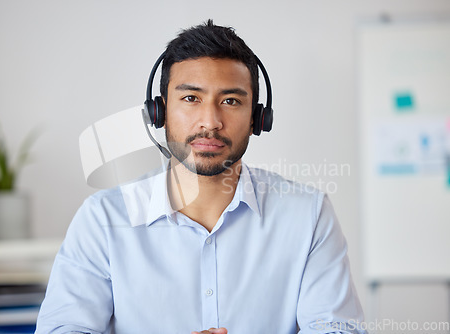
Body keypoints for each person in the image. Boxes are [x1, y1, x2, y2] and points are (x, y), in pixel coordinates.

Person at [36, 20, 366, 334]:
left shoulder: (307, 215)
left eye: (231, 100)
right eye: (191, 98)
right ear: (160, 112)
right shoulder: (102, 220)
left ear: (257, 118)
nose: (210, 121)